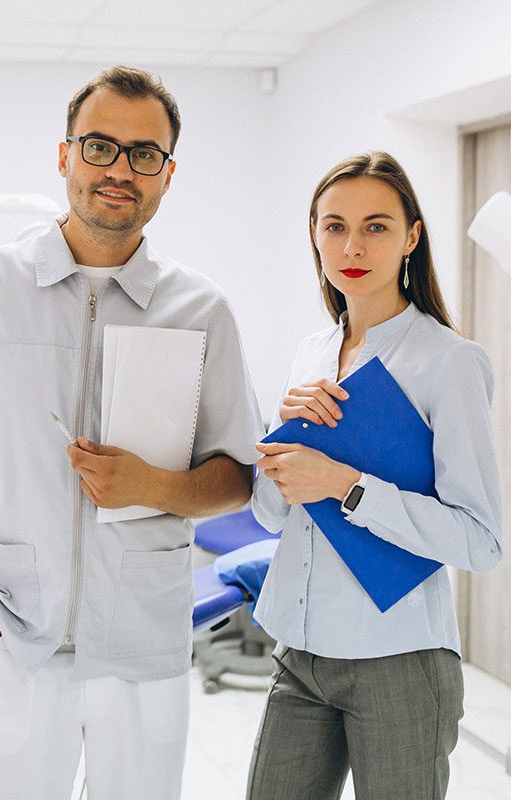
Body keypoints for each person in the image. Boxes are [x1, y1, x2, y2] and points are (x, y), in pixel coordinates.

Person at [0, 66, 263, 800]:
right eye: (100, 146)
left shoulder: (202, 309)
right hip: (12, 634)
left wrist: (155, 486)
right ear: (64, 155)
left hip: (143, 645)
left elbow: (238, 475)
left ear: (167, 175)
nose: (119, 170)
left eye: (144, 154)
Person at [246, 152, 503, 800]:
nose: (352, 245)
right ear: (314, 234)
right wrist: (279, 458)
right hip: (299, 655)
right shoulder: (311, 352)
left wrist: (346, 485)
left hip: (399, 660)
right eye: (334, 226)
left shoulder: (449, 362)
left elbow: (481, 542)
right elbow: (271, 516)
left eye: (377, 226)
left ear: (412, 236)